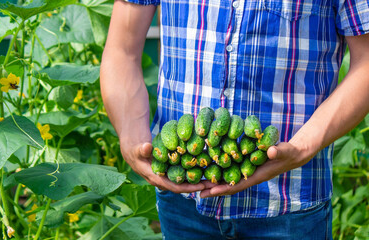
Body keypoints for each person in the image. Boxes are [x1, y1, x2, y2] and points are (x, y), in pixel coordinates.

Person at [100, 0, 369, 239]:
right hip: (181, 196)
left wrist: (304, 147)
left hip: (290, 203)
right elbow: (122, 50)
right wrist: (130, 133)